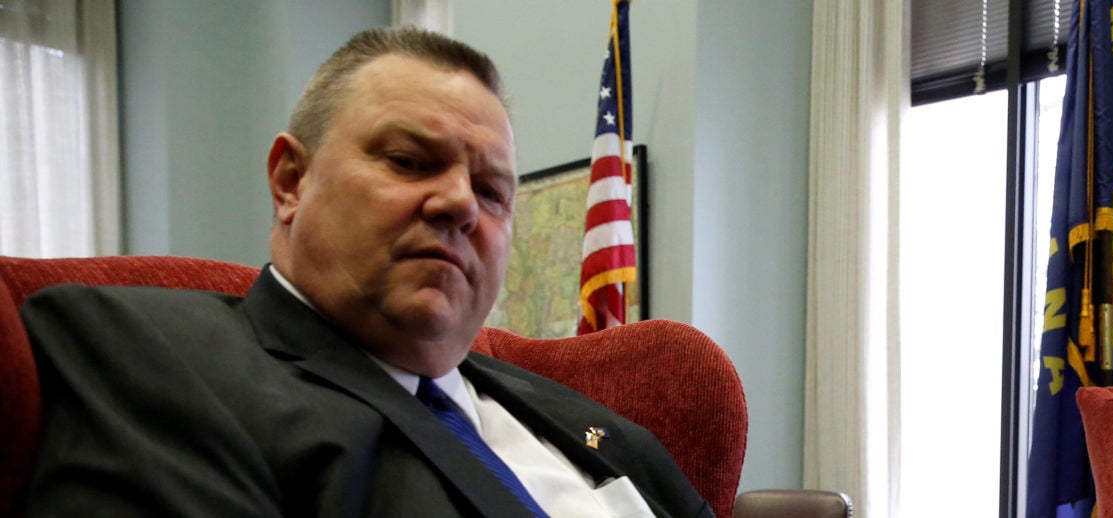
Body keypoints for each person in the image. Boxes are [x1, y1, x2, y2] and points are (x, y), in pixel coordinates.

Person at [19, 27, 711, 517]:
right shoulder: (153, 355)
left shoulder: (583, 420)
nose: (459, 204)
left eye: (492, 190)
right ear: (291, 180)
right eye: (409, 161)